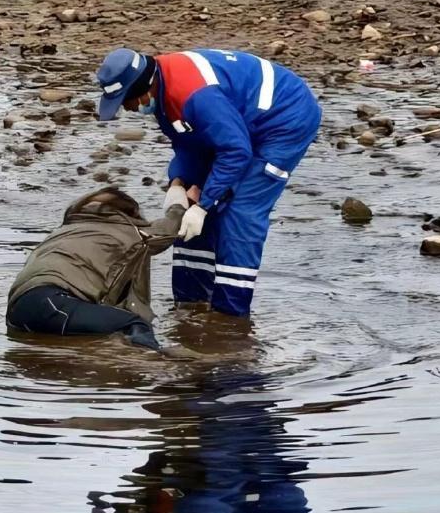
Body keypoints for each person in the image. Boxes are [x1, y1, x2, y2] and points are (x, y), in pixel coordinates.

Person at [96, 47, 322, 317]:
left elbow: (236, 152)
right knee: (189, 217)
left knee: (239, 212)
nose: (128, 108)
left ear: (144, 88)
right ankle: (190, 306)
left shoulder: (196, 96)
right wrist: (179, 183)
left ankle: (230, 319)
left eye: (126, 101)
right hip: (237, 124)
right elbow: (189, 143)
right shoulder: (164, 90)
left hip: (283, 120)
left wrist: (203, 205)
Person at [6, 185, 188, 350]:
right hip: (56, 305)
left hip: (18, 311)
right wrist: (180, 204)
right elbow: (166, 232)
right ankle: (156, 367)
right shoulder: (126, 231)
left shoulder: (65, 231)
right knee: (134, 325)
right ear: (127, 212)